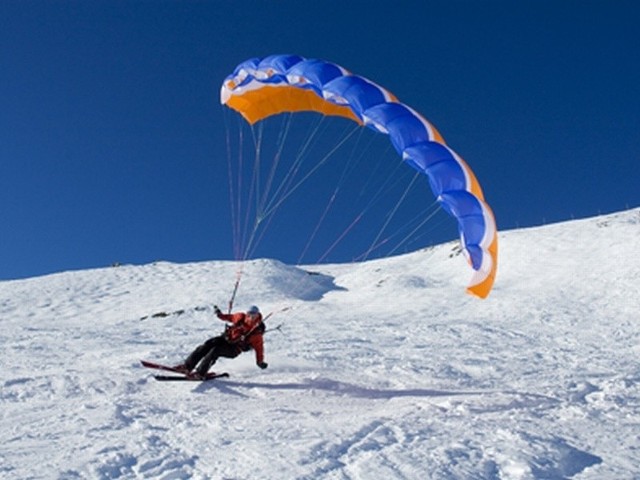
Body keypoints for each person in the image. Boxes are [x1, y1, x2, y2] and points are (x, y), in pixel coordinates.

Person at [177, 305, 268, 379]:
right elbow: (230, 317)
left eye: (254, 315)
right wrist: (220, 315)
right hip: (226, 339)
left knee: (215, 351)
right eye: (249, 314)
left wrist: (260, 362)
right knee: (208, 344)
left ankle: (200, 373)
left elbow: (259, 348)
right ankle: (187, 367)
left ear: (257, 315)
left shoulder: (256, 333)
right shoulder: (240, 317)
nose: (251, 317)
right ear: (247, 314)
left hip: (235, 349)